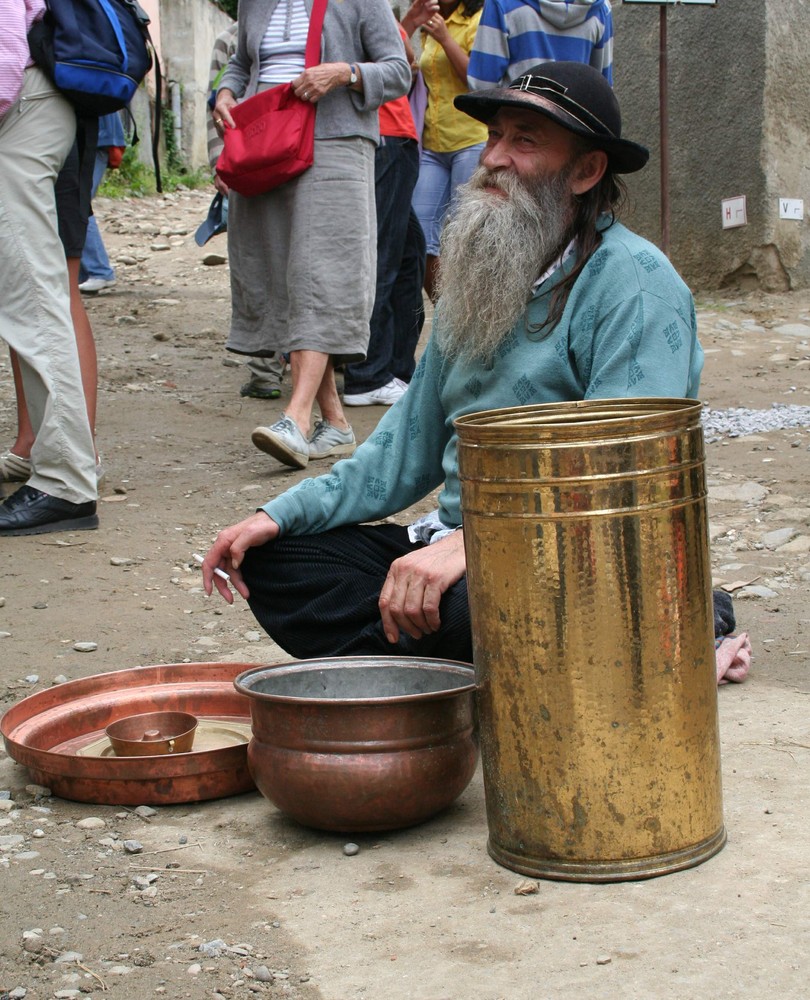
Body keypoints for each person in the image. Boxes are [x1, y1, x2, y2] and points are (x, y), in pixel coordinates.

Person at [202, 61, 746, 685]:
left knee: (472, 607)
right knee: (277, 564)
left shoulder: (635, 284)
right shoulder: (482, 271)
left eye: (525, 141)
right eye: (494, 137)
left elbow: (617, 483)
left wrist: (473, 551)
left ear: (587, 171)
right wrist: (273, 517)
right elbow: (397, 454)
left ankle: (668, 617)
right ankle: (506, 666)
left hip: (582, 555)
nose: (494, 158)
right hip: (465, 547)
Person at [213, 0, 411, 469]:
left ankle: (296, 418)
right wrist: (225, 92)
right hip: (266, 143)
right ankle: (336, 424)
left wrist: (344, 73)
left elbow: (399, 70)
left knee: (321, 271)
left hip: (336, 142)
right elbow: (242, 62)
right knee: (285, 277)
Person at [0, 0, 98, 535]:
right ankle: (62, 472)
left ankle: (66, 484)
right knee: (31, 297)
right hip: (26, 105)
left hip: (18, 108)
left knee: (35, 301)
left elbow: (6, 42)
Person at [1, 125, 104, 489]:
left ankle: (80, 454)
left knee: (59, 286)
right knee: (20, 292)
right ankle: (31, 442)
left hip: (45, 129)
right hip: (37, 129)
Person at [342, 27, 426, 408]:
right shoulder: (362, 11)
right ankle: (367, 375)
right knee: (384, 258)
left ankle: (394, 370)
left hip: (393, 136)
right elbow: (406, 61)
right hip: (386, 136)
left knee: (409, 257)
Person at [206, 20, 288, 402]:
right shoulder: (234, 38)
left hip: (299, 157)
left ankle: (283, 366)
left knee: (289, 264)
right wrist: (219, 162)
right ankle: (265, 369)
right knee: (259, 263)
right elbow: (218, 103)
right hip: (253, 161)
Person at [403, 0, 488, 301]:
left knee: (463, 240)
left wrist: (445, 39)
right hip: (432, 143)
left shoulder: (479, 20)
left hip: (470, 140)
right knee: (420, 236)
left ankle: (463, 321)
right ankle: (448, 317)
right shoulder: (430, 21)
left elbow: (478, 80)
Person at [467, 0, 613, 91]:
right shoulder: (601, 8)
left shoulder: (502, 2)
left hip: (518, 126)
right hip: (572, 133)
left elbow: (481, 86)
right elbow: (602, 89)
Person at [78, 111, 126, 293]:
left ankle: (98, 271)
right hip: (99, 138)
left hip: (96, 138)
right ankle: (86, 274)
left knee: (78, 205)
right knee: (78, 204)